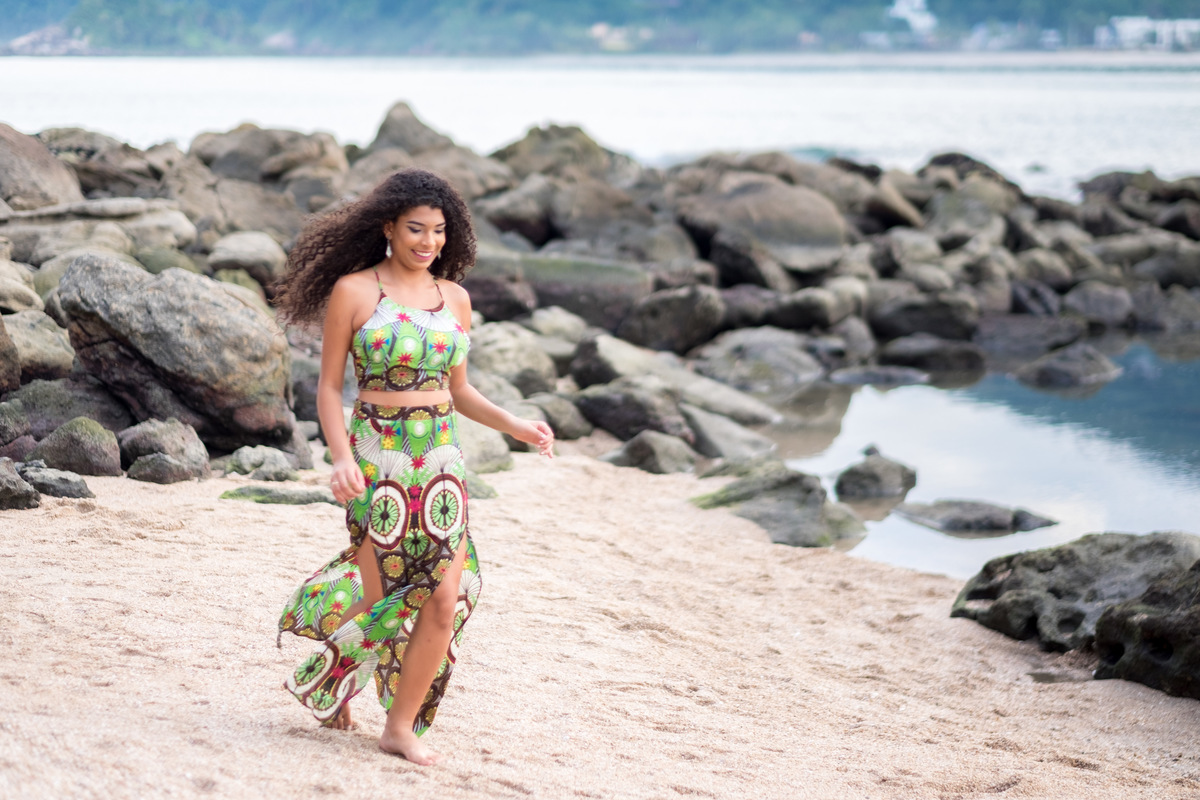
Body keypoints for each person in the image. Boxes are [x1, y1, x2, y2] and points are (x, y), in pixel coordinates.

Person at [273, 168, 554, 765]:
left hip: (442, 459)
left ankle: (398, 728)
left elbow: (462, 391)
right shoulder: (355, 291)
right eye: (416, 230)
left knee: (442, 598)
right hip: (378, 453)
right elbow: (328, 390)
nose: (428, 242)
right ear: (389, 229)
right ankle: (333, 671)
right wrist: (341, 458)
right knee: (387, 597)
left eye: (439, 231)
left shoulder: (454, 298)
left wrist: (518, 425)